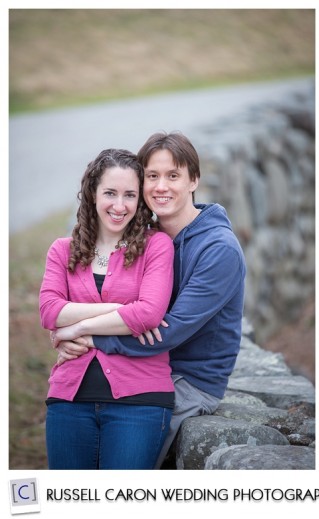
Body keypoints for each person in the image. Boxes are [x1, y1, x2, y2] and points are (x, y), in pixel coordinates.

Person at [54, 131, 246, 469]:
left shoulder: (218, 249)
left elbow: (166, 331)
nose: (161, 186)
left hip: (188, 378)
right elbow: (100, 300)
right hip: (146, 362)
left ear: (194, 180)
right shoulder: (147, 237)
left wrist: (86, 338)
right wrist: (68, 329)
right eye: (152, 176)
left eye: (173, 176)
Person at [40, 148, 175, 469]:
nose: (120, 205)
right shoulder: (62, 251)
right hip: (68, 399)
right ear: (92, 193)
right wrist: (121, 309)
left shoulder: (156, 245)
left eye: (130, 195)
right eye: (110, 193)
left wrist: (77, 328)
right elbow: (49, 311)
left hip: (140, 402)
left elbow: (149, 314)